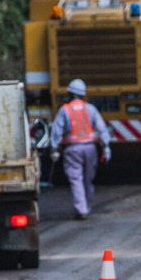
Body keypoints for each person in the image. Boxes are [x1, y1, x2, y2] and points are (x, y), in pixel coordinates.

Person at [50, 79, 112, 220]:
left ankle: (82, 209)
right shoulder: (90, 109)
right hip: (90, 149)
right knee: (88, 179)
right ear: (83, 95)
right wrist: (106, 146)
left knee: (76, 179)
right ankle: (86, 206)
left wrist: (54, 149)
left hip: (72, 150)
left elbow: (56, 131)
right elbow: (101, 128)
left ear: (70, 94)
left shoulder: (64, 110)